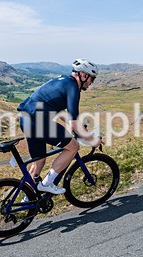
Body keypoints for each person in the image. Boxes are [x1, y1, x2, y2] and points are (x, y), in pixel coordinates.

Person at [16, 58, 102, 194]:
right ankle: (47, 184)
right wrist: (92, 140)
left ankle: (27, 199)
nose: (92, 83)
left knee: (38, 162)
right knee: (73, 147)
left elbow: (61, 112)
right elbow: (74, 123)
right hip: (38, 122)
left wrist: (76, 127)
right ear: (83, 75)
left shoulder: (63, 80)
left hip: (26, 119)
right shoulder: (73, 87)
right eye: (92, 78)